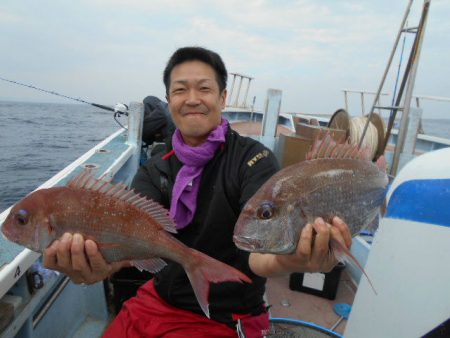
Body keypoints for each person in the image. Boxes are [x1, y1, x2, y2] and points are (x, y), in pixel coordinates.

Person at [43, 46, 352, 338]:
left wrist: (293, 260)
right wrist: (96, 267)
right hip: (158, 297)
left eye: (204, 88)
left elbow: (258, 254)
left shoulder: (253, 160)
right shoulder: (155, 168)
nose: (192, 98)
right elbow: (129, 241)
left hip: (228, 315)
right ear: (168, 100)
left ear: (223, 97)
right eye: (180, 90)